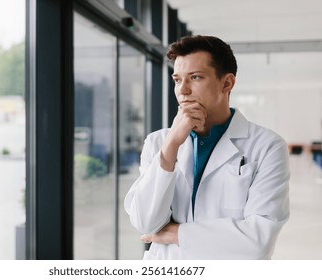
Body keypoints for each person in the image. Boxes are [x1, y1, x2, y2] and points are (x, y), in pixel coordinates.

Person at [124, 35, 290, 260]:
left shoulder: (267, 146)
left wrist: (176, 233)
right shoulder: (158, 143)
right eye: (177, 80)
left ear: (227, 83)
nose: (182, 91)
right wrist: (172, 144)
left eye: (195, 77)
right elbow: (145, 222)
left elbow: (257, 242)